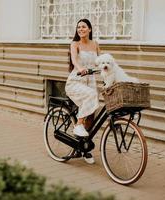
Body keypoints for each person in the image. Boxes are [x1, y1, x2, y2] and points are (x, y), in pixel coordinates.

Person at [65, 19, 100, 164]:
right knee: (90, 96)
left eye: (84, 27)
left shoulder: (95, 44)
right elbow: (74, 59)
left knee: (91, 118)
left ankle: (84, 149)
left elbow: (100, 62)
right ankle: (78, 124)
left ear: (90, 29)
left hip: (90, 82)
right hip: (76, 80)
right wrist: (80, 69)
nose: (81, 29)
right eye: (78, 27)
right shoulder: (75, 44)